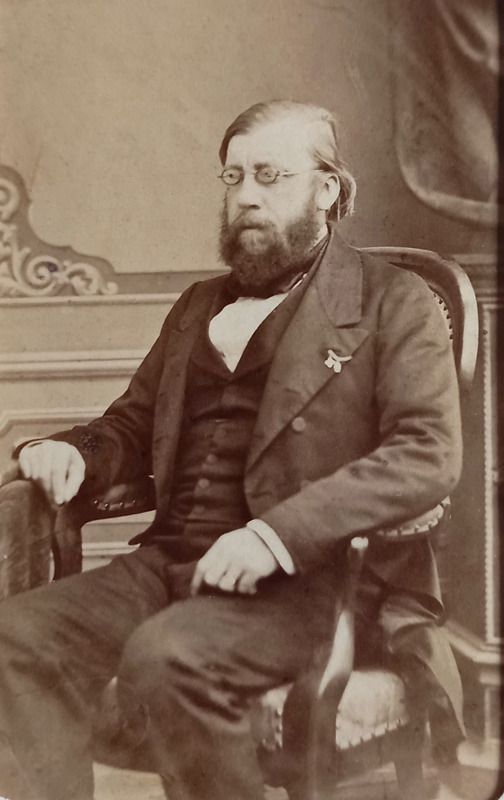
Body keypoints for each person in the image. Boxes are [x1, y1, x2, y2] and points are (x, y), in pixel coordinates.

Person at [0, 100, 464, 800]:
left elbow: (427, 452)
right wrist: (72, 452)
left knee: (168, 658)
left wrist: (275, 537)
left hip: (312, 585)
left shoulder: (393, 302)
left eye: (270, 175)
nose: (246, 195)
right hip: (173, 563)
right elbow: (131, 423)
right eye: (234, 176)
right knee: (17, 637)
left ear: (327, 189)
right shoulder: (197, 306)